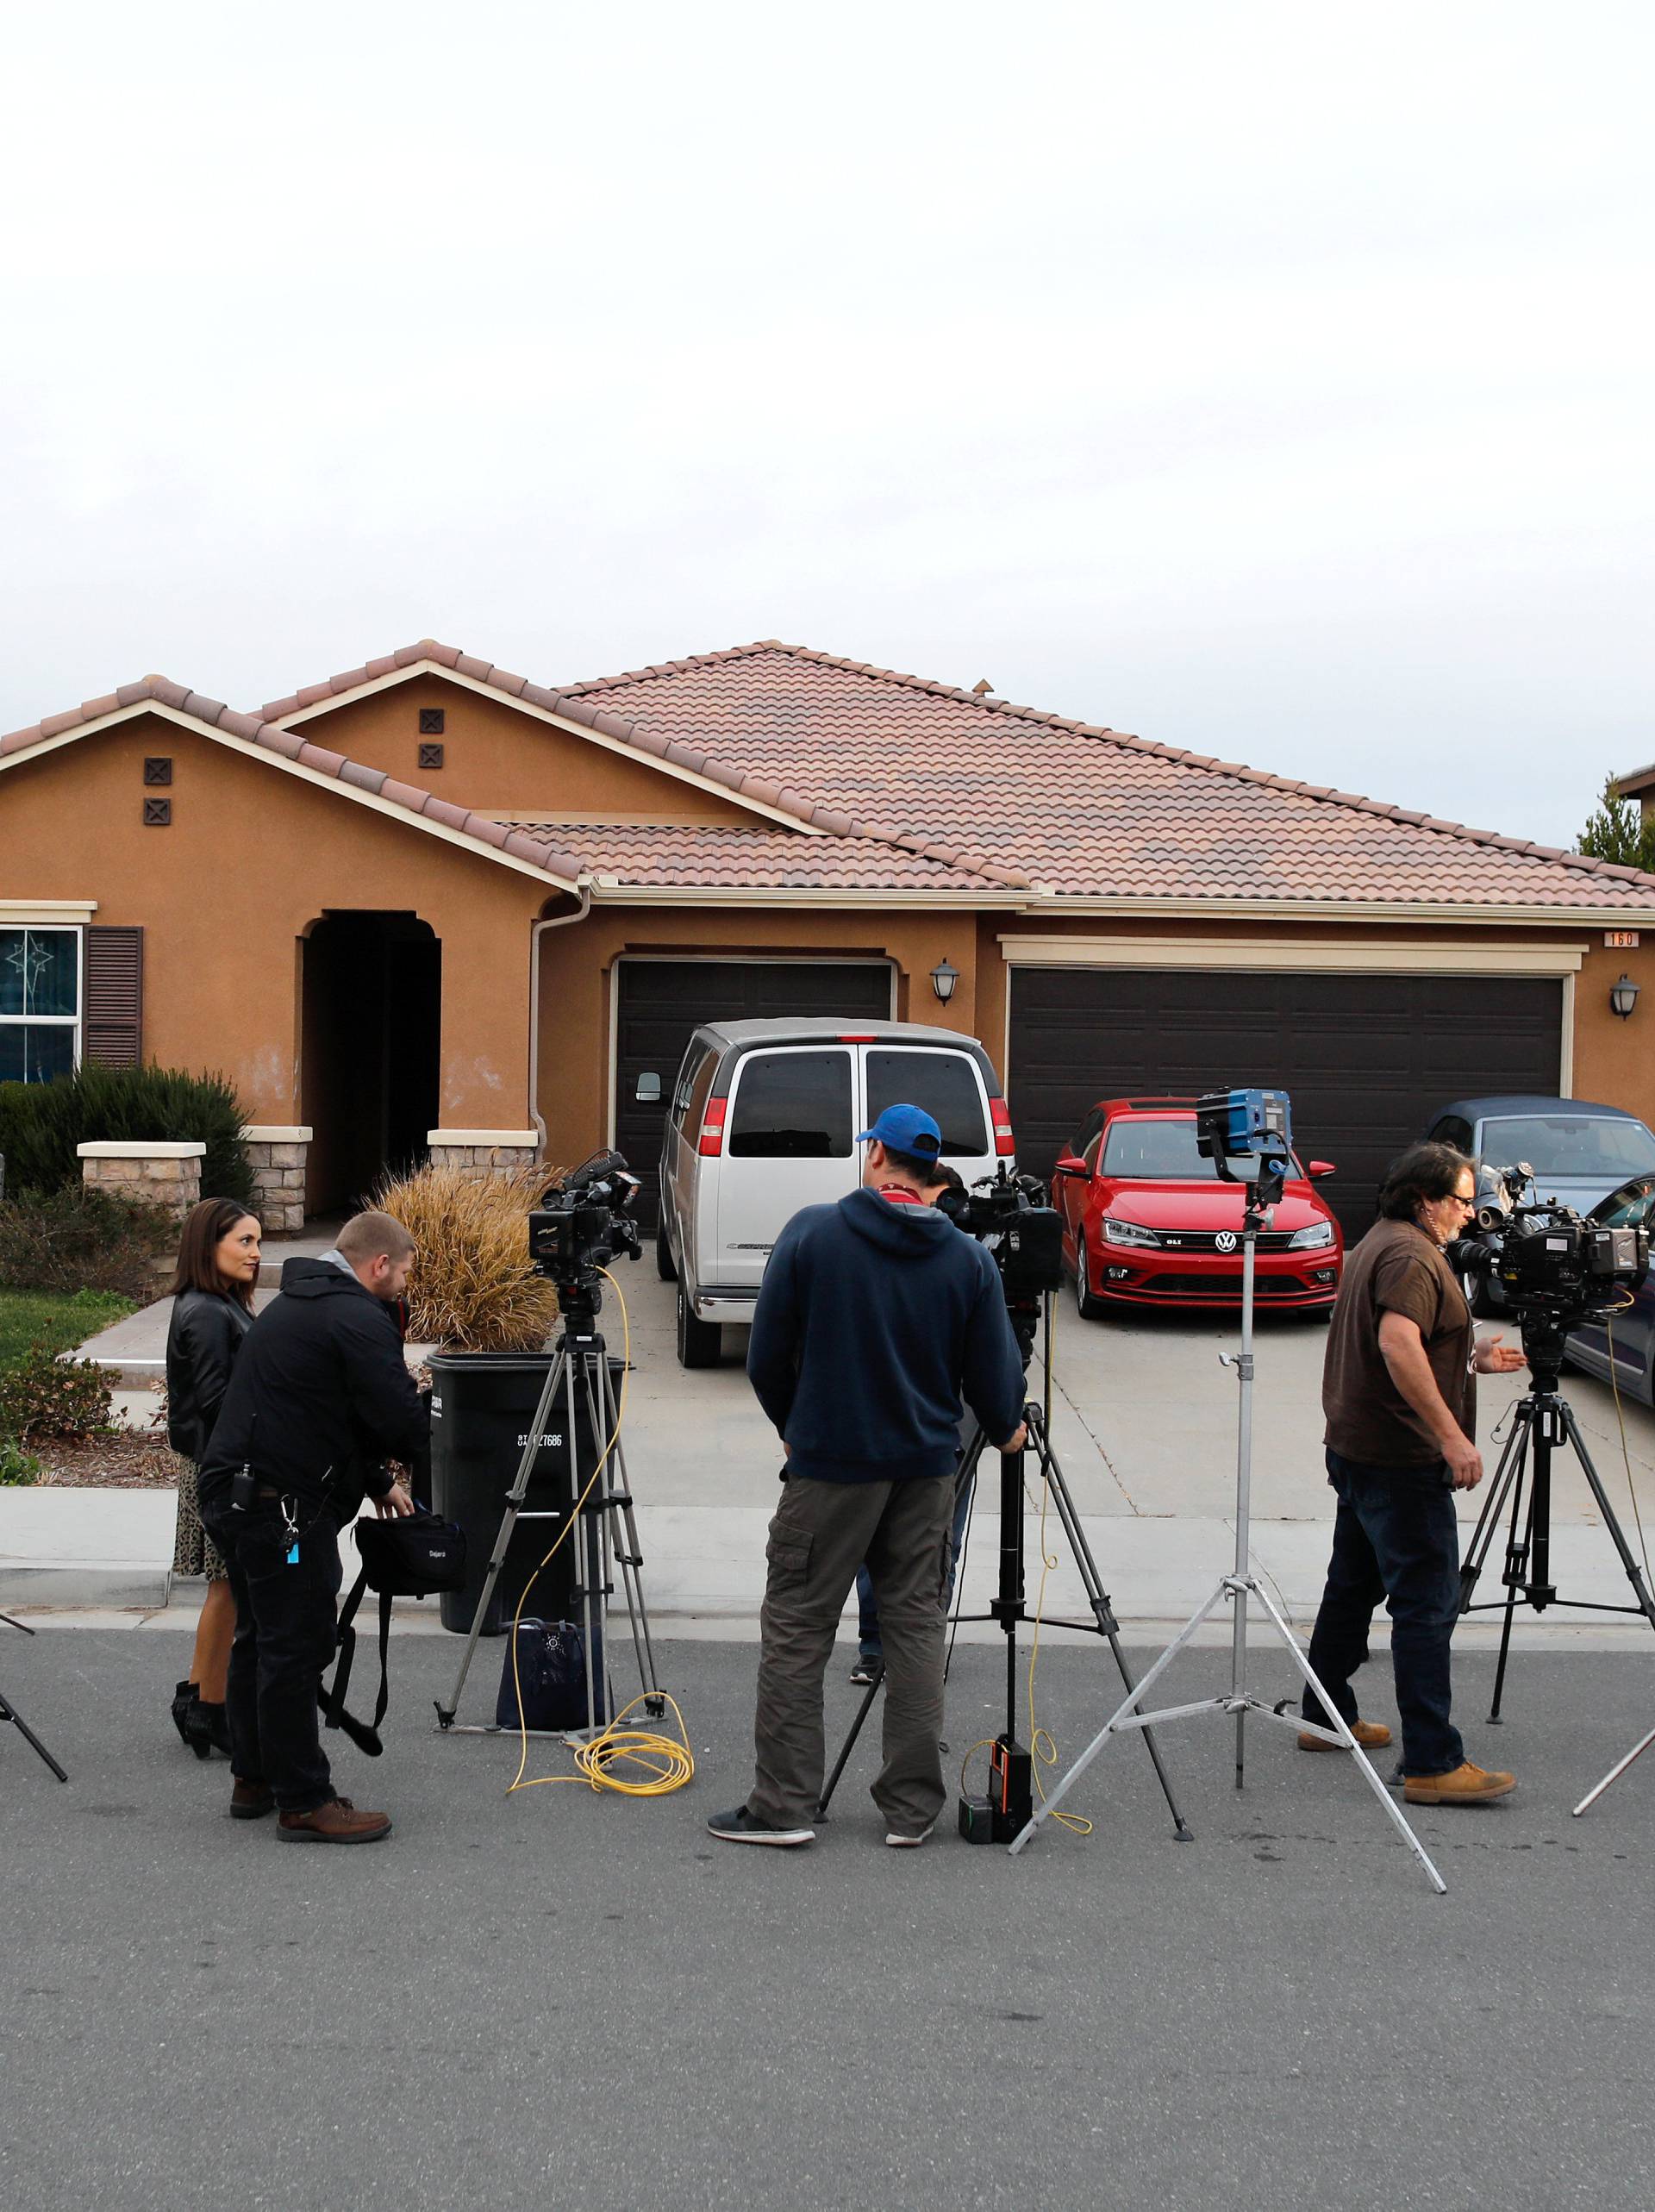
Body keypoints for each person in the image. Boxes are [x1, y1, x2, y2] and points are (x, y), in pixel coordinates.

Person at [709, 1103, 1027, 1849]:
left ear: (879, 1155)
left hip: (828, 1468)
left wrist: (799, 1429)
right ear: (931, 1173)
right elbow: (996, 1387)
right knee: (915, 1627)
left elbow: (765, 1359)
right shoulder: (968, 1260)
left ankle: (784, 1806)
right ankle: (912, 1811)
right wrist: (1003, 1421)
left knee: (797, 1628)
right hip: (924, 1471)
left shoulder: (813, 1233)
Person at [1299, 1141, 1527, 1805]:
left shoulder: (1384, 1239)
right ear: (1424, 1200)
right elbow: (1397, 1343)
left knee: (1351, 1588)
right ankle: (1432, 1761)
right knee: (1426, 1605)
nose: (1468, 1212)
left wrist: (1470, 1360)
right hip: (1400, 1462)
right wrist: (1453, 1438)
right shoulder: (1410, 1255)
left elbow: (1408, 1343)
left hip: (1360, 1449)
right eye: (1459, 1200)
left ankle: (1324, 1715)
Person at [199, 1210, 428, 1844]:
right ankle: (303, 1800)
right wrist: (429, 1441)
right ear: (378, 1265)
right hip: (281, 1510)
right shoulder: (356, 1316)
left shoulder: (300, 1303)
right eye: (404, 1271)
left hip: (234, 1494)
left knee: (260, 1635)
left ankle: (255, 1778)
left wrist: (377, 1482)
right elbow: (396, 1416)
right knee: (296, 1644)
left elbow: (325, 1403)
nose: (405, 1283)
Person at [849, 1160, 974, 1684]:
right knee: (872, 1537)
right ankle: (876, 1643)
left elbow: (996, 1356)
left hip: (951, 1418)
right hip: (879, 1413)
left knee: (940, 1534)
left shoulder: (968, 1257)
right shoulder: (870, 1247)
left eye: (943, 1202)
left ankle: (920, 1642)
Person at [166, 1198, 262, 1758]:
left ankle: (198, 1701)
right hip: (218, 1466)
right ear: (210, 1246)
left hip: (217, 1461)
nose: (254, 1252)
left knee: (225, 1588)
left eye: (256, 1241)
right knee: (228, 1587)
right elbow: (218, 1399)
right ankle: (211, 1708)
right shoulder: (205, 1309)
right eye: (243, 1242)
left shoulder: (220, 1303)